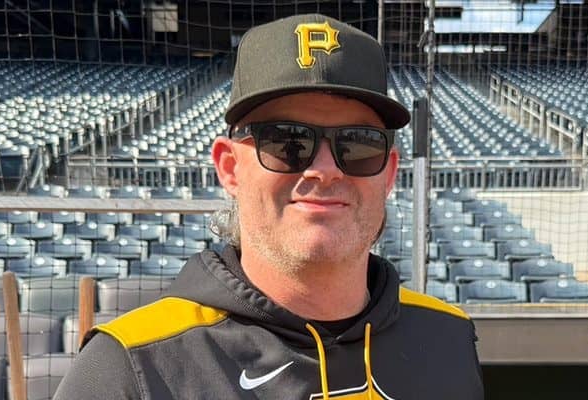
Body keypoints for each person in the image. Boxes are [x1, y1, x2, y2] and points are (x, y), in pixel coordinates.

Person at [55, 14, 483, 400]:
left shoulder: (447, 338)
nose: (325, 170)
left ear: (388, 175)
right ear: (230, 168)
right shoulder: (132, 367)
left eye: (357, 144)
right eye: (285, 141)